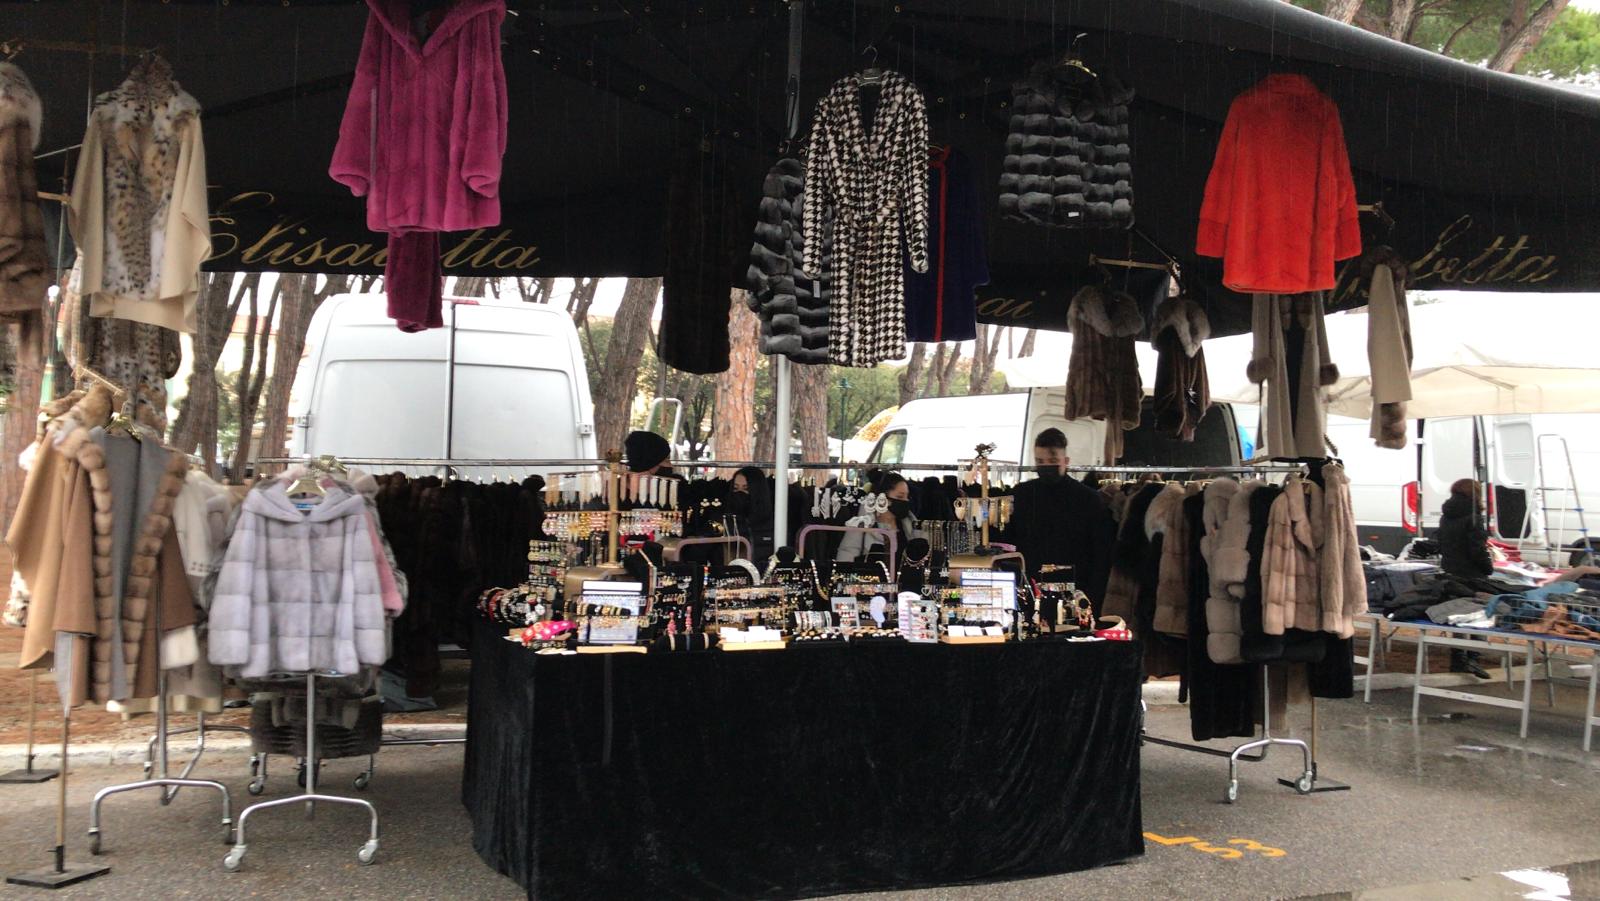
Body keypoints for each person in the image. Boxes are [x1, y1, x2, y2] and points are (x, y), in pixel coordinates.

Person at [1000, 428, 1117, 612]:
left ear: (1066, 461)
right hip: (1030, 589)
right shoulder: (1022, 494)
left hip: (1075, 591)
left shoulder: (1088, 499)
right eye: (1040, 461)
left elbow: (1101, 553)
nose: (1046, 466)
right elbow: (1009, 542)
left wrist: (1093, 598)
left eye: (1052, 460)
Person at [1437, 478, 1493, 678]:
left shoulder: (1446, 516)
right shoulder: (1474, 517)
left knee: (1457, 615)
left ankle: (1458, 658)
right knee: (1478, 615)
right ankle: (1473, 658)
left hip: (1451, 571)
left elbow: (1442, 543)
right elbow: (1477, 549)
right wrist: (1488, 568)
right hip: (1473, 575)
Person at [836, 472, 918, 563]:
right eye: (900, 496)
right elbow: (848, 552)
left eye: (907, 496)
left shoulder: (910, 524)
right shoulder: (862, 523)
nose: (906, 501)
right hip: (869, 571)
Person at [726, 466, 776, 565]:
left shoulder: (774, 521)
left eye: (746, 489)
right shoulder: (726, 521)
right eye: (735, 488)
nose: (740, 493)